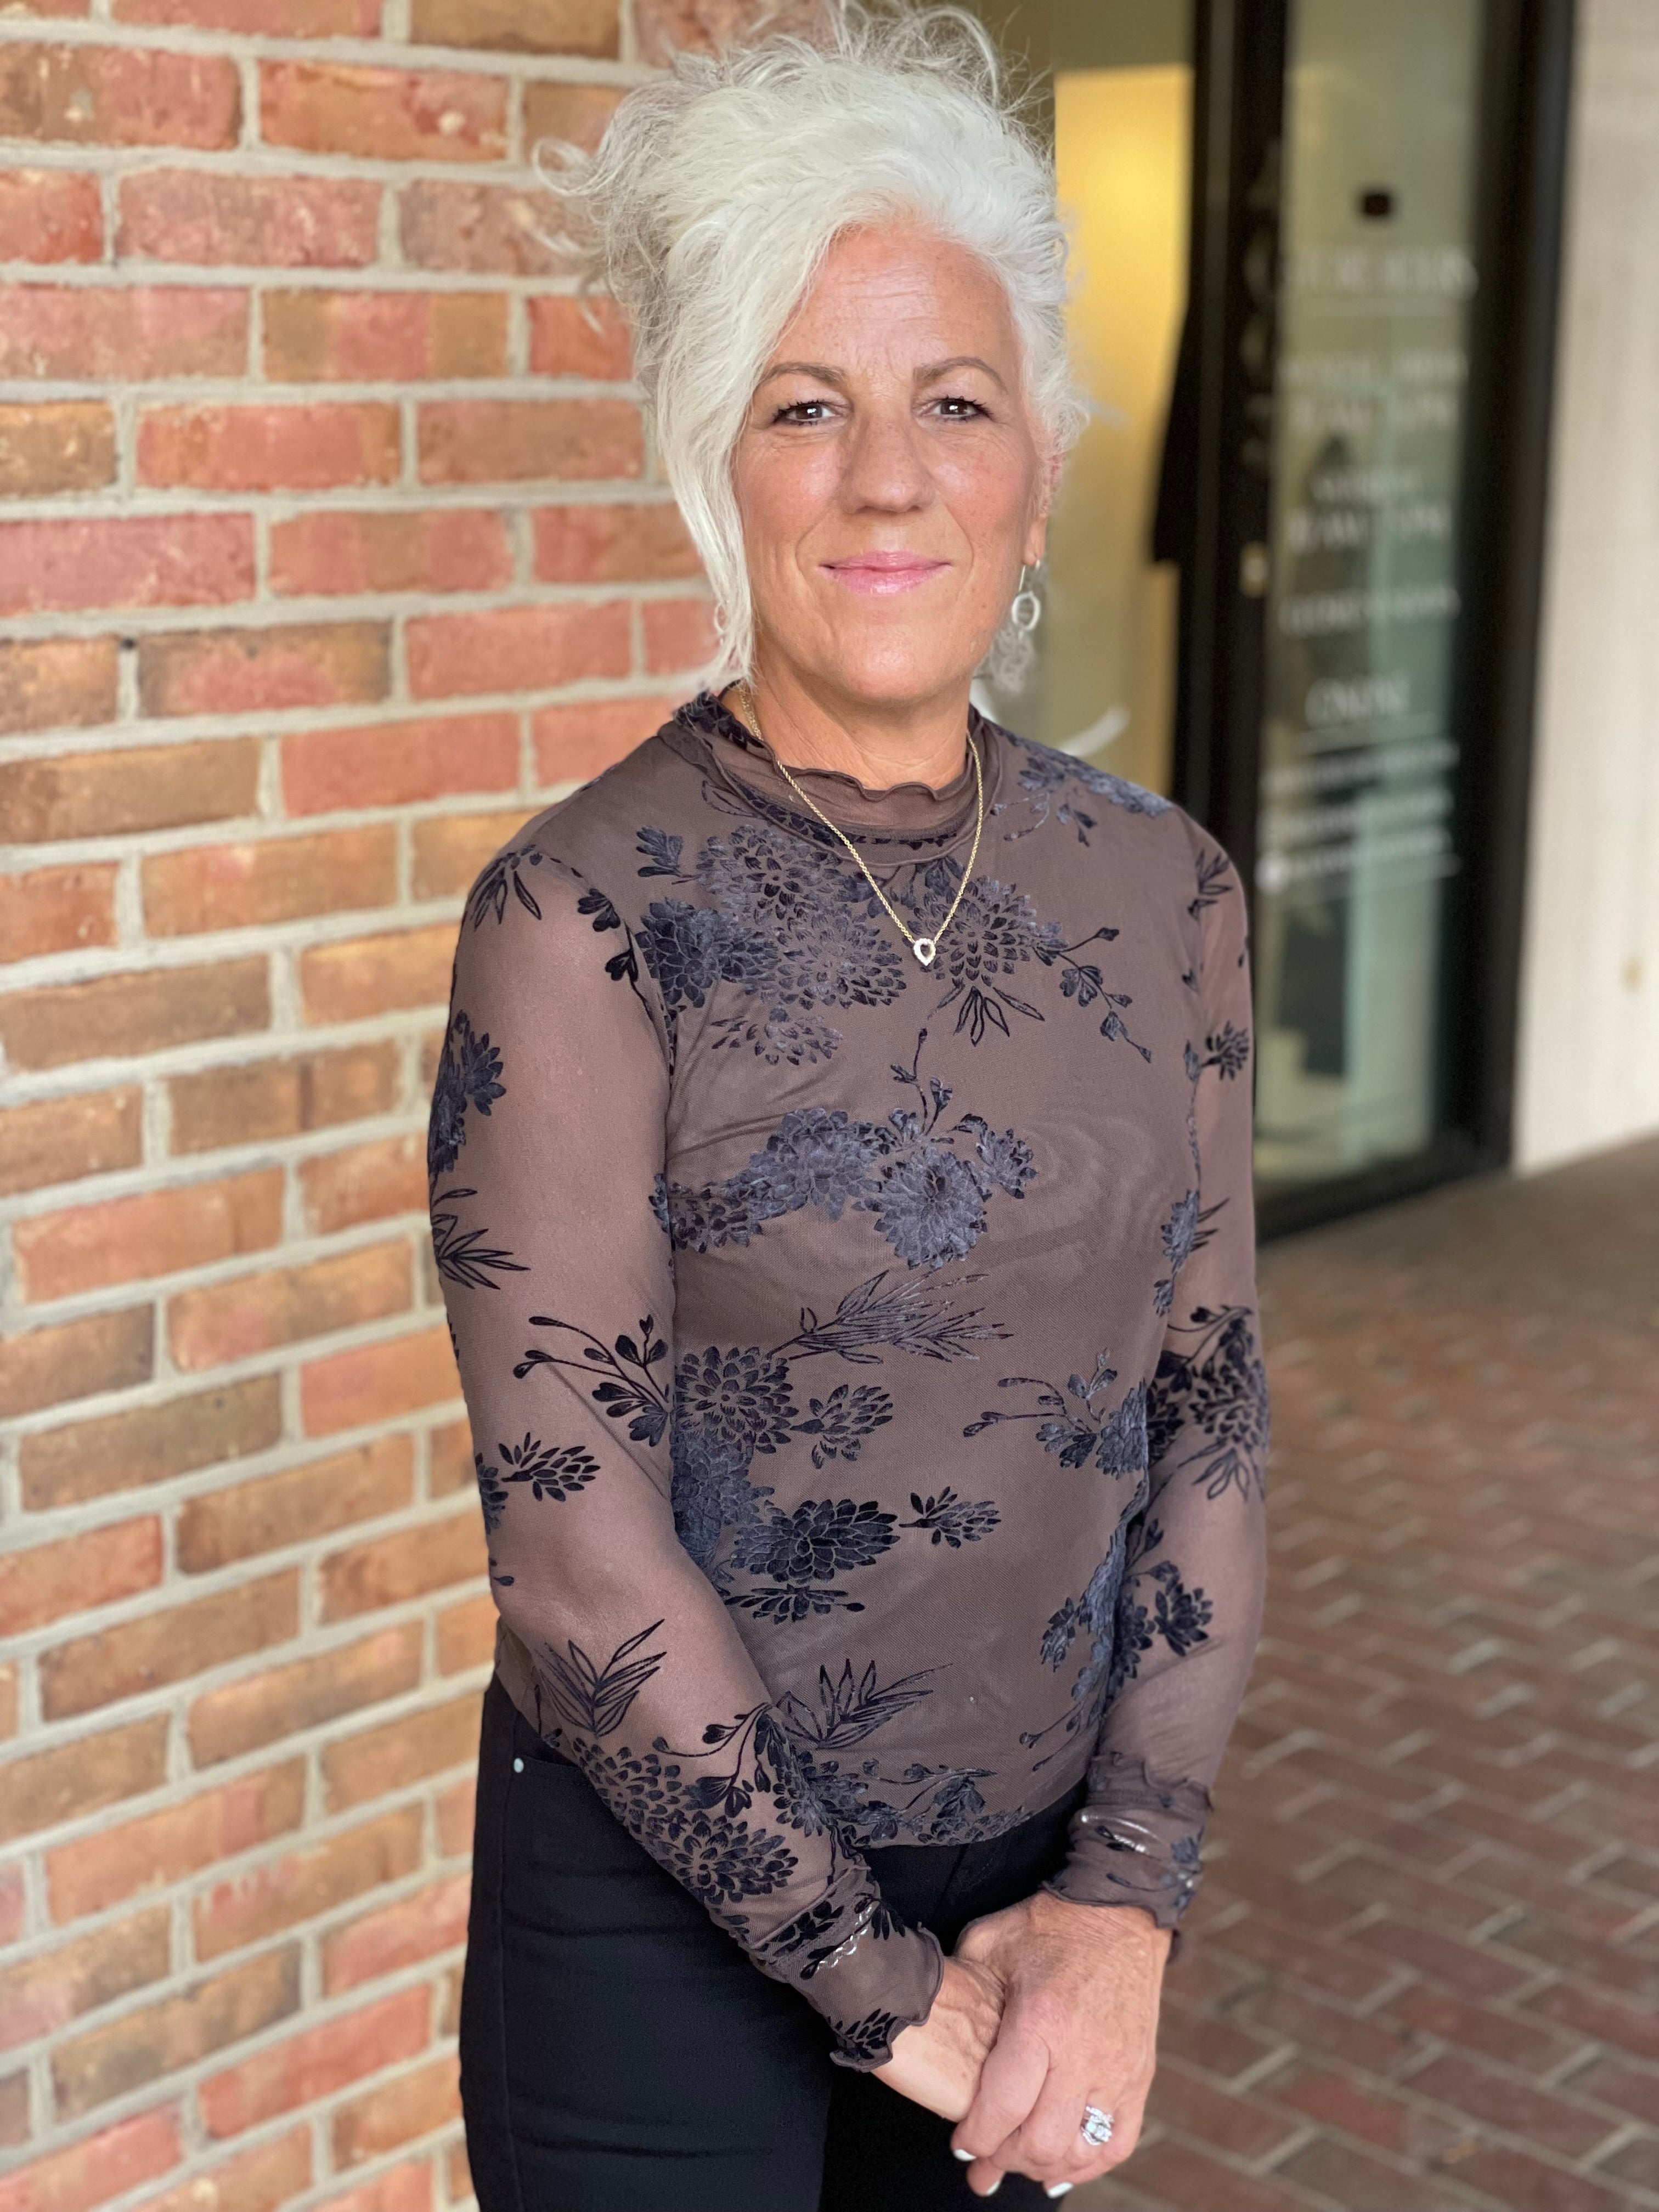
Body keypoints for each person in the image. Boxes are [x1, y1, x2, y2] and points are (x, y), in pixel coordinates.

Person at [432, 9, 1268, 2207]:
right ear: (719, 467)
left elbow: (1212, 1403)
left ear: (1043, 463)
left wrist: (1126, 1901)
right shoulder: (584, 912)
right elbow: (571, 1543)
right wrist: (891, 1999)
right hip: (655, 1929)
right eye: (806, 406)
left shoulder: (1165, 888)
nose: (887, 476)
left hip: (1035, 1902)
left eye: (954, 401)